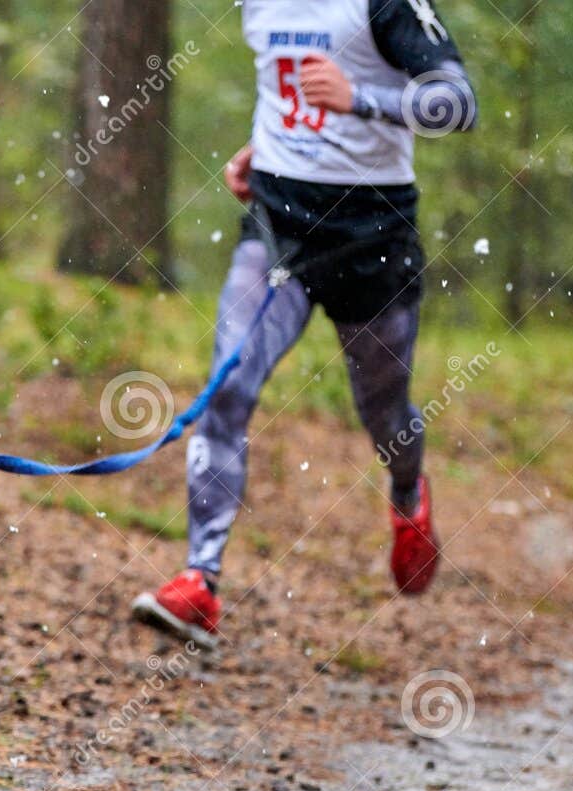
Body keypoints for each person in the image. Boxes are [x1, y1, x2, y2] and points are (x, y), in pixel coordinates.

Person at [131, 0, 477, 649]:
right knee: (228, 385)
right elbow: (287, 90)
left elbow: (458, 103)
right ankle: (200, 581)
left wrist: (361, 99)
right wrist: (265, 149)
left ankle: (408, 494)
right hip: (279, 222)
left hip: (373, 231)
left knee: (383, 409)